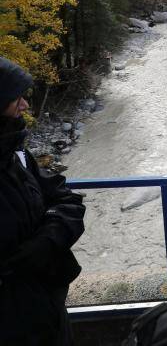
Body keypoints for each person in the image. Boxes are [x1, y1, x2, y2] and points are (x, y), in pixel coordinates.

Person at [0, 57, 86, 346]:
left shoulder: (16, 155)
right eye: (16, 99)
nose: (25, 106)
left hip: (46, 309)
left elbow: (66, 200)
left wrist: (46, 241)